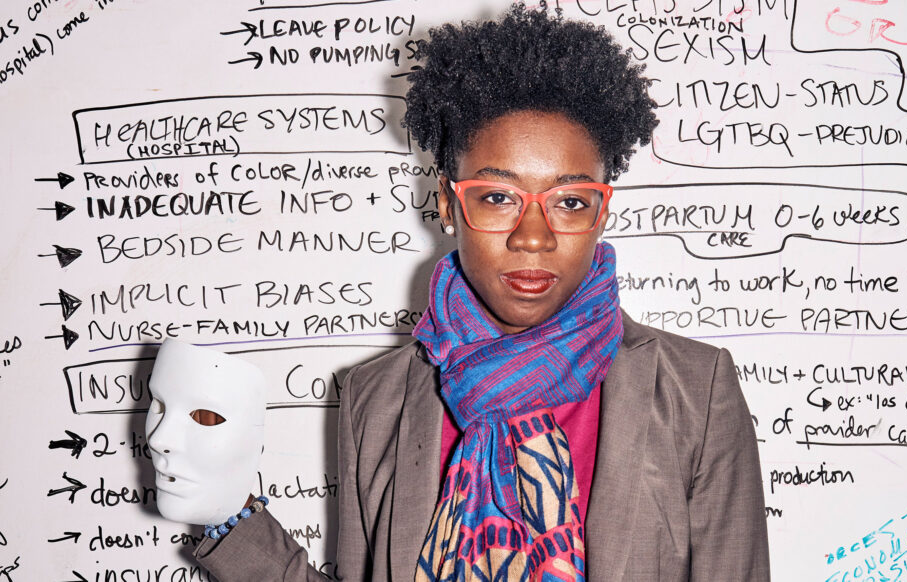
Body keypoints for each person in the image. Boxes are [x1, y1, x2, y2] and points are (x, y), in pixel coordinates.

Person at [187, 4, 770, 580]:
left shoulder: (696, 389)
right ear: (447, 203)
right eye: (497, 197)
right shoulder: (376, 398)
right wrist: (225, 518)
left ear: (600, 211)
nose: (533, 237)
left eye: (569, 201)